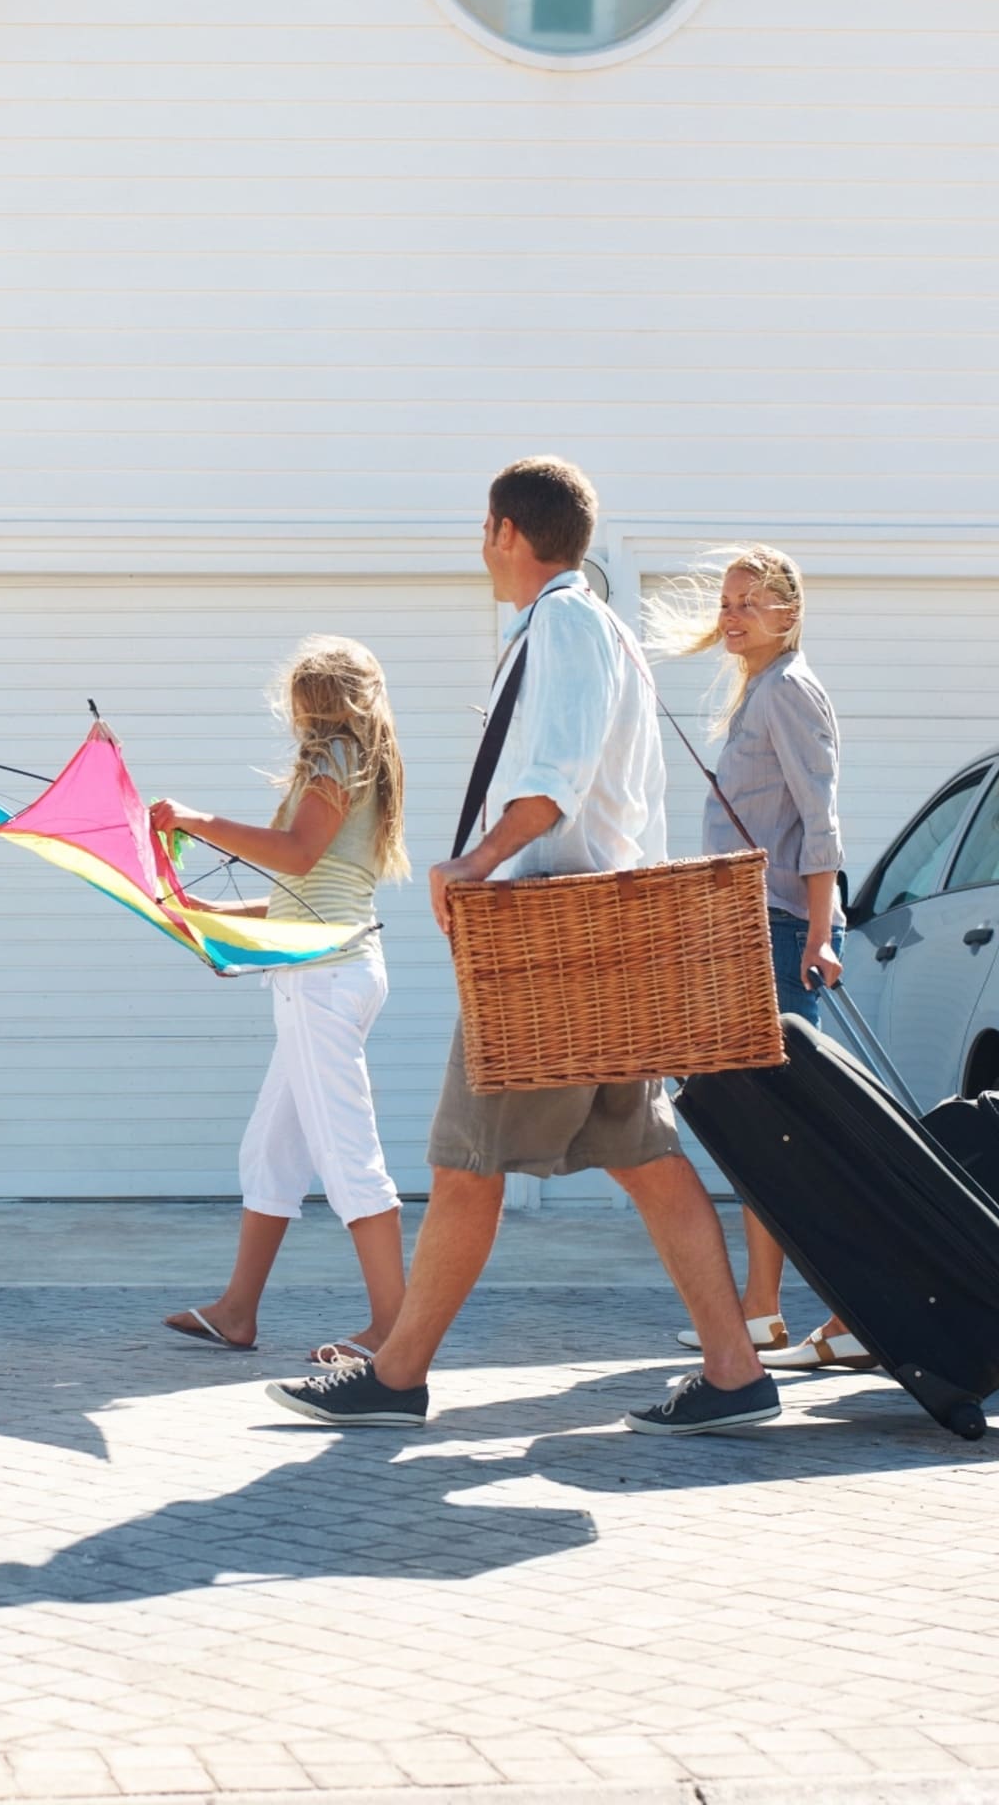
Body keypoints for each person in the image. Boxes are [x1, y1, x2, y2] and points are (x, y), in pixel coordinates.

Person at [266, 457, 779, 1435]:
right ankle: (734, 1371)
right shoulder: (573, 627)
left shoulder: (569, 626)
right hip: (599, 934)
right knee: (645, 1156)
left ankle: (398, 1374)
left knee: (466, 1162)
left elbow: (555, 776)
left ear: (505, 531)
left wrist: (475, 862)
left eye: (483, 530)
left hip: (553, 945)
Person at [149, 636, 412, 1364]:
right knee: (272, 1149)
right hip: (328, 968)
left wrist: (195, 820)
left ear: (315, 699)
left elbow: (295, 854)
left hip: (323, 979)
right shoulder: (356, 761)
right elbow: (306, 891)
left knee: (349, 1154)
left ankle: (394, 1331)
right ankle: (237, 1311)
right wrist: (205, 914)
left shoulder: (336, 758)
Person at [644, 547, 873, 1371]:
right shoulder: (763, 691)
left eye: (749, 602)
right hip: (753, 932)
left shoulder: (791, 692)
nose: (730, 615)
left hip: (783, 935)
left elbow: (822, 824)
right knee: (762, 1133)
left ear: (790, 611)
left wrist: (818, 932)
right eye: (727, 601)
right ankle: (763, 1313)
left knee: (794, 1137)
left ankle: (856, 1311)